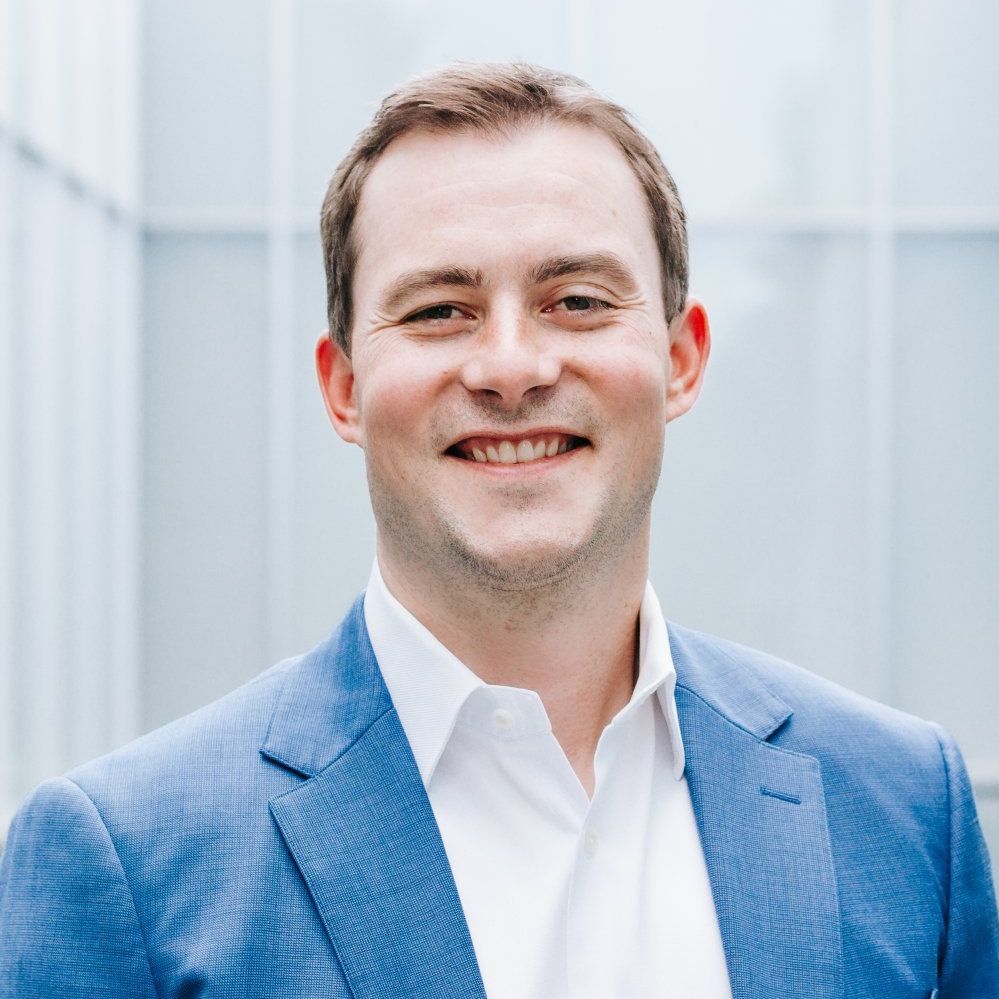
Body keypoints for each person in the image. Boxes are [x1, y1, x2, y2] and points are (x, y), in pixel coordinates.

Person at [1, 62, 996, 998]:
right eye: (440, 309)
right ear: (344, 388)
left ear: (682, 359)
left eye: (578, 300)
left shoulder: (906, 811)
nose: (511, 367)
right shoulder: (126, 865)